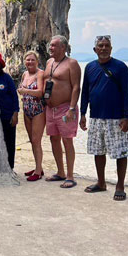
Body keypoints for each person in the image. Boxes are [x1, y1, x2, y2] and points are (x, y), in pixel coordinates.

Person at [80, 35, 128, 201]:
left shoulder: (121, 67)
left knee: (120, 152)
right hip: (96, 117)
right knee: (98, 151)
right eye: (100, 46)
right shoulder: (89, 67)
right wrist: (82, 114)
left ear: (111, 48)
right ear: (95, 49)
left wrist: (126, 117)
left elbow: (127, 93)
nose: (103, 48)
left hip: (116, 118)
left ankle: (120, 186)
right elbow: (85, 92)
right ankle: (101, 183)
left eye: (106, 45)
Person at [42, 35, 81, 188]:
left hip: (65, 108)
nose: (50, 48)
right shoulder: (49, 62)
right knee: (53, 139)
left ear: (63, 48)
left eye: (53, 46)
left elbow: (76, 87)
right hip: (50, 109)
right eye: (50, 45)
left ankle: (70, 176)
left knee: (67, 140)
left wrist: (72, 108)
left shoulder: (72, 64)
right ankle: (60, 172)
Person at [18, 51, 46, 181]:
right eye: (27, 60)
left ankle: (38, 171)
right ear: (24, 62)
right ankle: (37, 167)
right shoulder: (24, 74)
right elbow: (22, 89)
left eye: (32, 60)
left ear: (37, 61)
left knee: (36, 140)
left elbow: (40, 92)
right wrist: (21, 91)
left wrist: (25, 91)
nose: (30, 62)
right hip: (27, 109)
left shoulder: (40, 74)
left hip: (38, 110)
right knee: (31, 140)